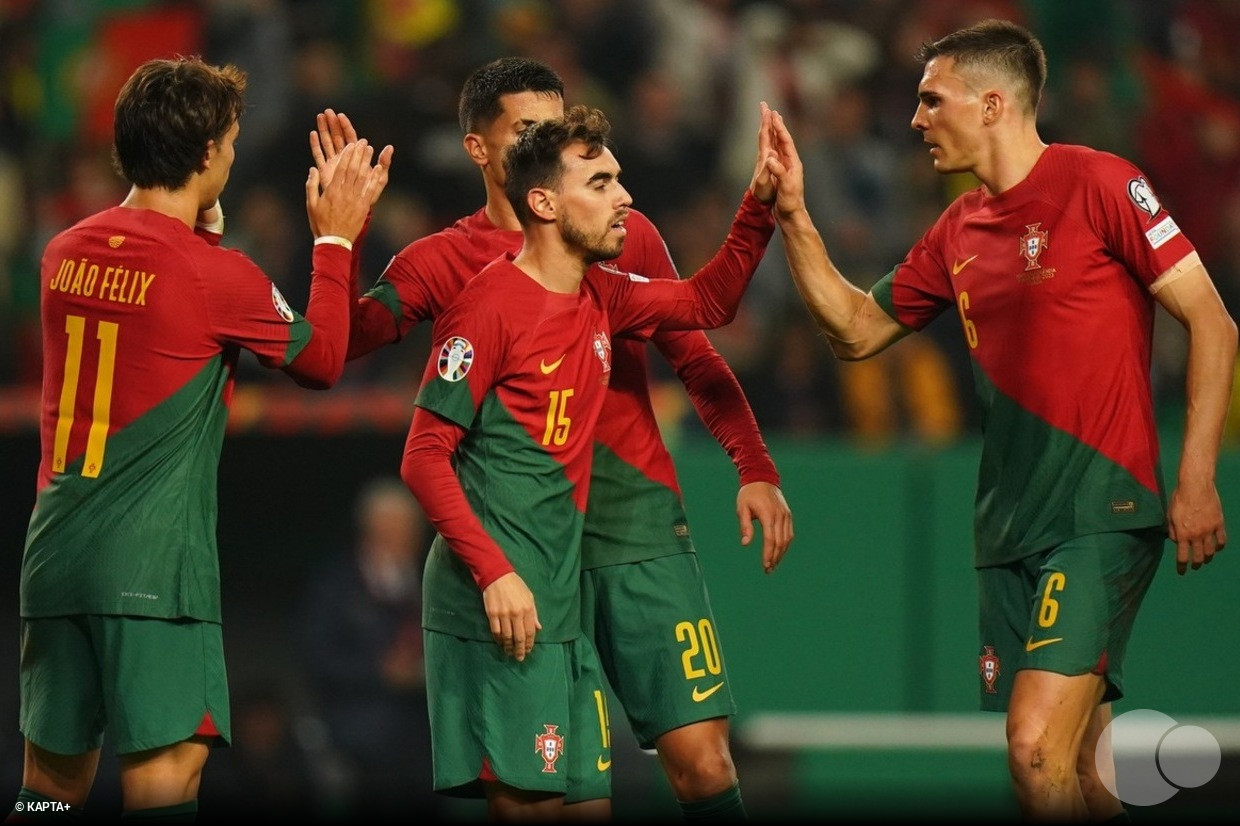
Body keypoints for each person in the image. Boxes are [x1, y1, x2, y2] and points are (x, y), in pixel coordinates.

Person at [766, 18, 1236, 822]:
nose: (914, 120)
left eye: (930, 100)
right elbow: (854, 330)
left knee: (1031, 748)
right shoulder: (957, 229)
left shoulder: (1100, 182)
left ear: (991, 104)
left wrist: (1195, 478)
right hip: (1007, 529)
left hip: (1101, 512)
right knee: (1086, 773)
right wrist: (795, 218)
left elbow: (1213, 322)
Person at [312, 57, 793, 819]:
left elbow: (701, 328)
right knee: (554, 791)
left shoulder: (613, 251)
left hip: (629, 518)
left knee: (699, 763)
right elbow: (335, 355)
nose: (613, 188)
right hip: (521, 542)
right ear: (484, 151)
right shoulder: (461, 276)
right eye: (533, 129)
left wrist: (754, 464)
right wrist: (341, 238)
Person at [7, 56, 390, 821]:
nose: (236, 155)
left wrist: (201, 223)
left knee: (50, 789)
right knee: (166, 780)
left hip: (54, 561)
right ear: (210, 152)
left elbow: (152, 283)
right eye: (233, 141)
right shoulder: (218, 278)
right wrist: (336, 242)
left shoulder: (63, 252)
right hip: (151, 571)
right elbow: (319, 360)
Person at [298, 477, 438, 819]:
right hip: (357, 742)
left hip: (424, 743)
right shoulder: (335, 584)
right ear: (372, 527)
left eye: (410, 527)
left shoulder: (431, 580)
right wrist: (381, 673)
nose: (407, 536)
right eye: (396, 527)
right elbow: (316, 657)